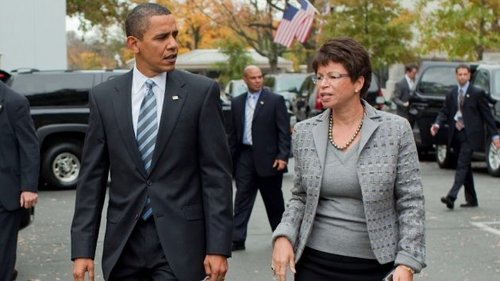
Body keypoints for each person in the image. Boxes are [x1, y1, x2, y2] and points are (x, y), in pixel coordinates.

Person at [70, 3, 233, 281]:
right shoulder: (105, 97)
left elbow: (216, 175)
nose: (173, 45)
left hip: (181, 246)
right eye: (161, 37)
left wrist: (218, 248)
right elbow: (91, 180)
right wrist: (82, 250)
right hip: (123, 247)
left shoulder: (200, 93)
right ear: (134, 43)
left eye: (175, 35)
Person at [271, 38, 426, 281]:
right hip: (314, 262)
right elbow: (300, 196)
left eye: (333, 76)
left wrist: (407, 262)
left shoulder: (395, 130)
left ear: (358, 82)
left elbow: (411, 201)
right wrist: (284, 235)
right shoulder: (304, 132)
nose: (323, 85)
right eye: (319, 77)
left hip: (377, 264)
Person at [229, 65, 291, 251]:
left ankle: (282, 237)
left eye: (259, 77)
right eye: (253, 78)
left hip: (269, 159)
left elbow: (284, 132)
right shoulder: (237, 102)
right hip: (245, 157)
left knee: (274, 203)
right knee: (241, 200)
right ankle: (237, 239)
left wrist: (283, 156)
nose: (257, 80)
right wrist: (229, 162)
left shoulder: (275, 100)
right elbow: (232, 135)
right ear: (245, 80)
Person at [431, 64, 500, 209]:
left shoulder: (477, 93)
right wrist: (437, 124)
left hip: (471, 135)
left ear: (469, 76)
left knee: (462, 165)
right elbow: (444, 111)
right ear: (456, 76)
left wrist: (495, 136)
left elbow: (488, 116)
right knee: (465, 166)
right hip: (456, 134)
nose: (462, 77)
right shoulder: (452, 93)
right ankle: (472, 199)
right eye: (460, 74)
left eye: (465, 74)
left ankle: (451, 196)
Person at [0, 81, 39, 281]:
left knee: (2, 257)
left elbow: (29, 145)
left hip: (5, 194)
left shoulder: (14, 102)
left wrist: (29, 187)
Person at [392, 63, 419, 128]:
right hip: (403, 113)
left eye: (416, 73)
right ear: (408, 72)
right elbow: (395, 98)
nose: (415, 74)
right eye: (413, 73)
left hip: (412, 112)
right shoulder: (400, 83)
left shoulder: (415, 81)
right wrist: (403, 104)